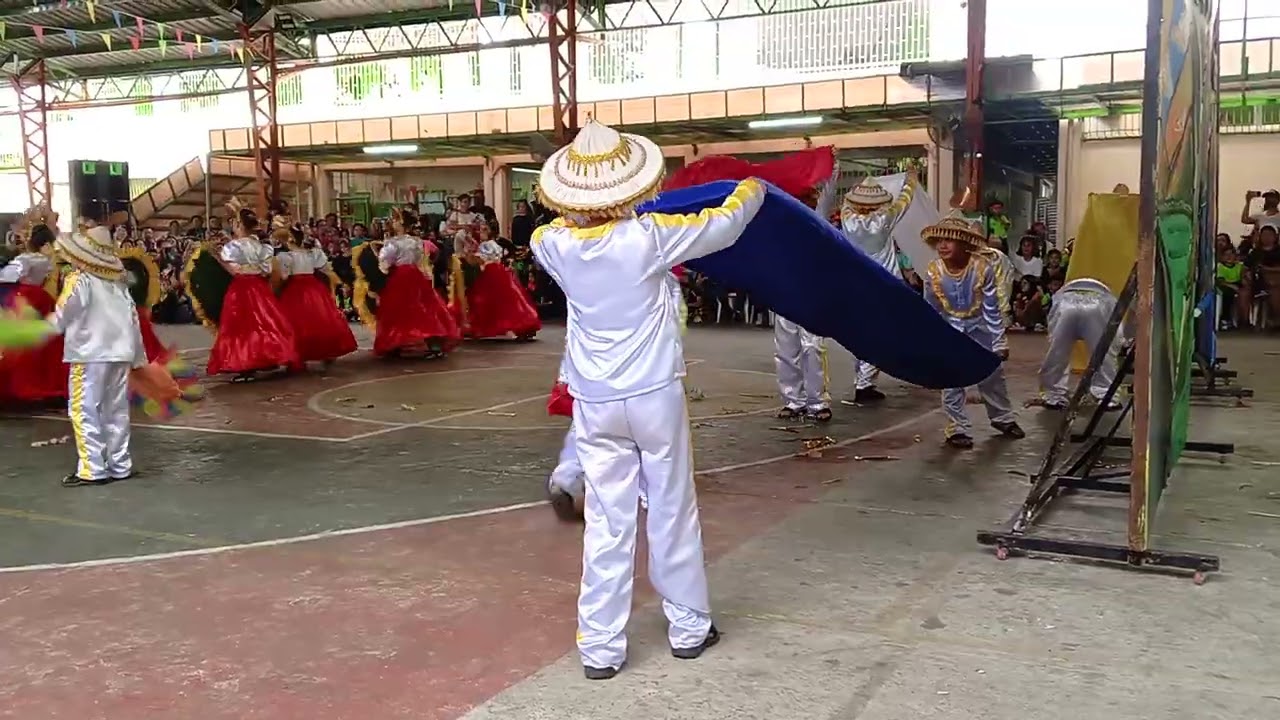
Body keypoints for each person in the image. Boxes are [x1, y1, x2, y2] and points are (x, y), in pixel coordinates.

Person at [531, 118, 765, 680]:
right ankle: (687, 627)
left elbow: (564, 226)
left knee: (608, 520)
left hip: (594, 401)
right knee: (670, 507)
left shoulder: (550, 244)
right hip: (653, 395)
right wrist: (757, 187)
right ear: (632, 185)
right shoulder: (651, 236)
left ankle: (601, 647)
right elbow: (726, 224)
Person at [47, 213, 147, 487]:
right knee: (116, 409)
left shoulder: (80, 280)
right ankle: (120, 464)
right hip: (120, 353)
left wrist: (35, 330)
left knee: (84, 408)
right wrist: (137, 356)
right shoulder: (118, 284)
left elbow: (62, 314)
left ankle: (92, 469)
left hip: (89, 354)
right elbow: (133, 319)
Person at [921, 212, 1025, 449]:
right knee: (952, 377)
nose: (943, 245)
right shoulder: (933, 271)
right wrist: (930, 340)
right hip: (949, 329)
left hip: (979, 327)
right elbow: (930, 309)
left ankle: (1002, 418)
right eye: (940, 240)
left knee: (992, 372)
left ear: (964, 244)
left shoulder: (982, 268)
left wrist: (999, 342)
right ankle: (956, 427)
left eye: (950, 240)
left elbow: (992, 309)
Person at [205, 202, 302, 379]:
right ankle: (270, 356)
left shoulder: (233, 247)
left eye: (234, 223)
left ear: (240, 225)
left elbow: (234, 271)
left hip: (241, 289)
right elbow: (266, 271)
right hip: (259, 288)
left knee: (241, 327)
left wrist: (217, 257)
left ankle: (246, 363)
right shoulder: (263, 246)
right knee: (265, 323)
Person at [838, 175, 913, 403]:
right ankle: (864, 384)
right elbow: (904, 201)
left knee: (860, 333)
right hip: (883, 286)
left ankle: (861, 379)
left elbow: (845, 204)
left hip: (855, 284)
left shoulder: (846, 218)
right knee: (879, 335)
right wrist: (911, 181)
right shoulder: (884, 219)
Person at [0, 206, 68, 404]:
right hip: (42, 298)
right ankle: (47, 381)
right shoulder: (47, 260)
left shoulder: (26, 259)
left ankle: (19, 383)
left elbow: (7, 277)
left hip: (25, 297)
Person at [371, 209, 460, 358]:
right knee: (425, 310)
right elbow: (421, 261)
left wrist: (378, 257)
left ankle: (394, 344)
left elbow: (385, 264)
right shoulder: (416, 241)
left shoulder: (392, 243)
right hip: (416, 277)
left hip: (400, 278)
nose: (393, 223)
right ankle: (434, 345)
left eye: (395, 221)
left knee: (397, 311)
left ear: (401, 223)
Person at [275, 218, 358, 365]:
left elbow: (284, 276)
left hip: (295, 289)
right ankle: (325, 352)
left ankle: (298, 355)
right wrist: (339, 282)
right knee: (320, 319)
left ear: (289, 240)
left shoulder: (286, 257)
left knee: (297, 323)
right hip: (314, 289)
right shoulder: (312, 254)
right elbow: (326, 270)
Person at [1037, 277, 1123, 411]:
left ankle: (1053, 395)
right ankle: (1106, 395)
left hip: (1066, 303)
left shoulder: (1059, 294)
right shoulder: (1110, 296)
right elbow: (1116, 328)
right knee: (1104, 353)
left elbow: (1052, 323)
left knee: (1057, 352)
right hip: (1098, 304)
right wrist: (1119, 343)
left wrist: (1053, 336)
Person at [464, 227, 541, 340]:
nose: (480, 233)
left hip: (491, 272)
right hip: (498, 270)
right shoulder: (493, 244)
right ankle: (522, 326)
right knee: (508, 299)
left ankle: (484, 326)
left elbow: (481, 260)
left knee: (487, 299)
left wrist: (470, 254)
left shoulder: (485, 245)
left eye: (483, 231)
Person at [1216, 245, 1247, 329]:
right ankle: (1225, 319)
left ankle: (1243, 320)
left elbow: (1244, 278)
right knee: (1227, 294)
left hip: (1237, 284)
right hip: (1225, 285)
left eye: (1231, 254)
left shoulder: (1239, 266)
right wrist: (1232, 286)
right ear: (1221, 257)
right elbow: (1220, 281)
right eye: (1226, 254)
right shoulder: (1220, 267)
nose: (1229, 257)